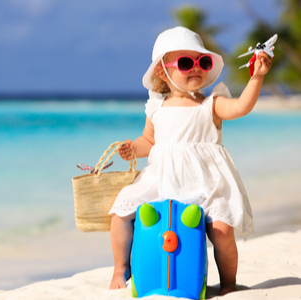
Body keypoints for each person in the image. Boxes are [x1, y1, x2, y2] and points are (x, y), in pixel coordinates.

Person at [108, 26, 272, 296]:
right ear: (163, 71)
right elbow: (149, 141)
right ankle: (119, 269)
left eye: (203, 62)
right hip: (162, 179)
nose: (196, 68)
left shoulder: (212, 104)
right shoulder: (156, 108)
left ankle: (229, 282)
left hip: (205, 183)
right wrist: (132, 149)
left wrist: (256, 78)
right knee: (120, 212)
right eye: (186, 63)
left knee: (222, 229)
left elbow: (242, 106)